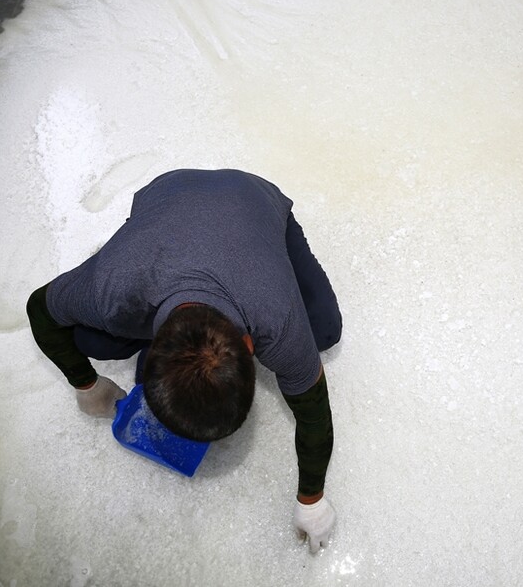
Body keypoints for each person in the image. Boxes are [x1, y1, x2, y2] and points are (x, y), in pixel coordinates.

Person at [25, 168, 342, 553]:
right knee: (87, 338)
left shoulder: (276, 320)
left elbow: (313, 412)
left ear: (251, 345)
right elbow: (39, 308)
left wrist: (312, 498)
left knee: (324, 332)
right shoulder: (113, 288)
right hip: (166, 195)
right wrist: (85, 383)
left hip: (254, 198)